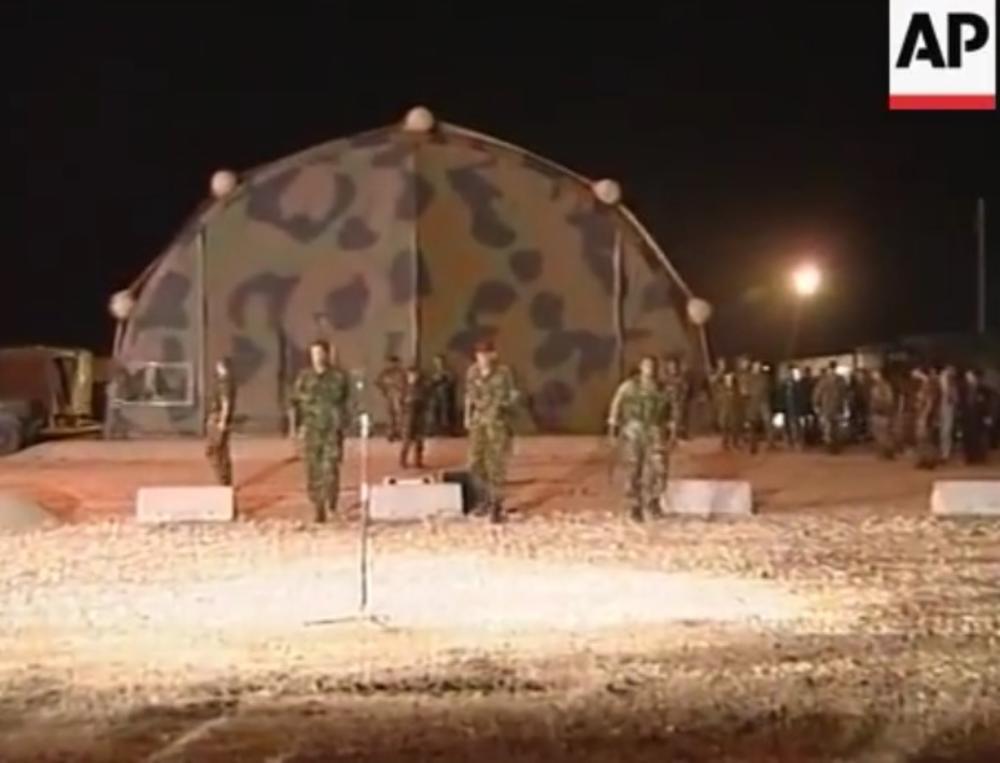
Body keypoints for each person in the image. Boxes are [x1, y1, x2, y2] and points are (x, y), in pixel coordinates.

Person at [292, 340, 352, 521]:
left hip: (331, 430)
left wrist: (344, 423)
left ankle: (331, 503)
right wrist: (295, 428)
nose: (316, 357)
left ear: (327, 354)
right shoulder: (304, 377)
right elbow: (295, 403)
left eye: (319, 353)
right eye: (313, 354)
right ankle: (318, 506)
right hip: (311, 429)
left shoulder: (338, 377)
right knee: (313, 469)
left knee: (330, 468)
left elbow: (346, 401)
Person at [608, 356, 672, 522]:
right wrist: (613, 427)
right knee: (633, 468)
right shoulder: (629, 387)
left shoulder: (662, 389)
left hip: (655, 430)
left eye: (652, 366)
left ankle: (653, 502)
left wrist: (671, 429)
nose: (650, 369)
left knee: (659, 468)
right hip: (634, 430)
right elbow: (616, 405)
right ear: (641, 367)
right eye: (646, 366)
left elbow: (670, 409)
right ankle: (634, 506)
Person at [464, 340, 519, 523]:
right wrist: (467, 417)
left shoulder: (503, 373)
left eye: (486, 354)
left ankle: (496, 505)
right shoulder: (472, 372)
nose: (482, 358)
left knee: (495, 465)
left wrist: (503, 406)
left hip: (497, 424)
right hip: (478, 423)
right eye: (479, 354)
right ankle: (484, 500)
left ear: (493, 355)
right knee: (475, 463)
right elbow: (469, 396)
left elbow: (513, 395)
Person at [205, 358, 236, 486]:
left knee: (215, 451)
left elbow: (225, 403)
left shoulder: (224, 383)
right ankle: (224, 479)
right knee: (220, 450)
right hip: (217, 418)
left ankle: (223, 479)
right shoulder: (226, 382)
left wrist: (222, 421)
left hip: (217, 419)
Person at [812, 362, 847, 453]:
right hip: (833, 407)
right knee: (833, 428)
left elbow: (817, 393)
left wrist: (816, 405)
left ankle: (832, 446)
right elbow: (844, 394)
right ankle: (834, 446)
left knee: (830, 428)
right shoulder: (839, 379)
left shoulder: (824, 380)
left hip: (829, 407)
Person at [960, 369, 991, 464]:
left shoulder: (983, 389)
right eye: (967, 377)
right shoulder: (963, 388)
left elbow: (987, 403)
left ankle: (980, 457)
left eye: (970, 376)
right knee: (968, 437)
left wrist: (987, 415)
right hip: (967, 416)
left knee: (979, 437)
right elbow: (961, 403)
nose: (969, 378)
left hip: (979, 416)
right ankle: (969, 457)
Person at [399, 365, 428, 469]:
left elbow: (426, 401)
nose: (413, 377)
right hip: (408, 417)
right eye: (411, 375)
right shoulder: (404, 389)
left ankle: (418, 461)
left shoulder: (422, 388)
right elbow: (401, 403)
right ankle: (403, 460)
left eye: (415, 375)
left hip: (419, 416)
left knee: (419, 440)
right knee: (407, 440)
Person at [912, 367, 940, 469]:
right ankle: (923, 459)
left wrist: (924, 416)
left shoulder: (928, 385)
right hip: (922, 414)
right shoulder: (924, 385)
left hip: (926, 416)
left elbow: (929, 403)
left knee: (925, 438)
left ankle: (929, 460)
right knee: (921, 438)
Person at [375, 355, 407, 442]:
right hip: (389, 396)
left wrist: (402, 392)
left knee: (399, 415)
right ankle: (391, 433)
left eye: (394, 363)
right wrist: (384, 390)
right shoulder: (385, 373)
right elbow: (378, 382)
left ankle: (399, 432)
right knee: (390, 415)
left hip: (398, 396)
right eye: (391, 363)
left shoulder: (401, 373)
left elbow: (405, 384)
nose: (392, 365)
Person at [745, 360, 773, 453]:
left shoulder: (764, 377)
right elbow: (746, 391)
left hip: (763, 403)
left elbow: (768, 389)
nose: (757, 367)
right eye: (755, 366)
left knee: (767, 423)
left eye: (758, 366)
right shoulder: (749, 377)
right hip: (753, 404)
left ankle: (770, 443)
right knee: (753, 425)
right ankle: (753, 445)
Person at [868, 368, 896, 460]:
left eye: (875, 373)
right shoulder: (875, 386)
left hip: (883, 412)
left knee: (884, 433)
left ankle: (888, 452)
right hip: (877, 411)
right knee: (879, 433)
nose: (873, 375)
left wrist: (881, 403)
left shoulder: (885, 386)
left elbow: (889, 400)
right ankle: (884, 452)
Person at [428, 353, 457, 436]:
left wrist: (443, 381)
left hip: (446, 396)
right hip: (436, 396)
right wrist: (434, 381)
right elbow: (430, 383)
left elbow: (452, 381)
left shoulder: (449, 371)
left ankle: (447, 429)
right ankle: (435, 429)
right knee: (433, 410)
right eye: (436, 362)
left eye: (440, 361)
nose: (438, 364)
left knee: (446, 412)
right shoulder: (434, 373)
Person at [938, 365, 958, 462]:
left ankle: (945, 453)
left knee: (946, 431)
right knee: (943, 431)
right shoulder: (942, 383)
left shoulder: (952, 386)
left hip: (947, 409)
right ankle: (943, 452)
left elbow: (954, 399)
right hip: (942, 408)